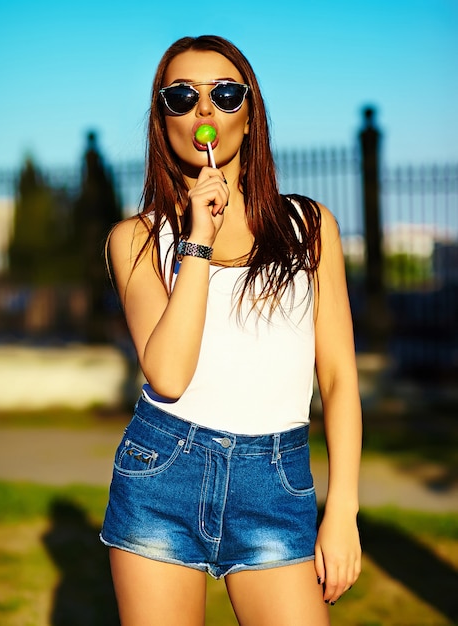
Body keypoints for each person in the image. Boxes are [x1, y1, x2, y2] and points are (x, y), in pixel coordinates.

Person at [100, 35, 362, 625]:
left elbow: (340, 378)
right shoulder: (135, 239)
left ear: (249, 114)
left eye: (223, 93)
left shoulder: (310, 227)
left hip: (277, 483)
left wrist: (341, 509)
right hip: (163, 475)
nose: (204, 110)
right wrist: (197, 239)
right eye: (181, 96)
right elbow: (168, 374)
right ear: (162, 119)